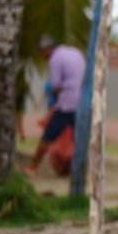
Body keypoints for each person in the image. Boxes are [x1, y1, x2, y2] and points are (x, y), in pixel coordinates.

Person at [24, 35, 86, 177]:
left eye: (41, 52)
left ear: (46, 49)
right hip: (81, 104)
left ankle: (32, 167)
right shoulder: (75, 53)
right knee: (80, 140)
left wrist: (54, 101)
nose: (42, 55)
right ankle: (84, 172)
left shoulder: (55, 60)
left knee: (47, 137)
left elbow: (56, 87)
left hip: (65, 105)